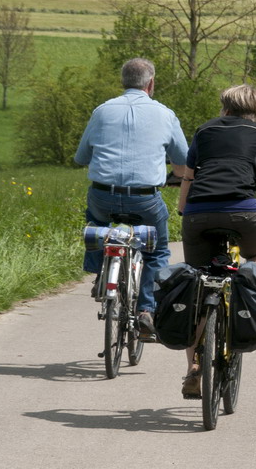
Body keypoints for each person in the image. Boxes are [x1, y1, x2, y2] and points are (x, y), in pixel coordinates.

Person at [177, 84, 256, 397]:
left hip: (198, 214)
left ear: (225, 108)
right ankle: (251, 277)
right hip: (243, 212)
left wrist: (182, 208)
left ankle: (193, 369)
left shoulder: (203, 132)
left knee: (197, 282)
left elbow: (189, 176)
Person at [74, 57, 188, 341]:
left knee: (97, 223)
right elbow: (183, 163)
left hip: (103, 195)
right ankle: (147, 310)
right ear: (151, 83)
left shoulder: (101, 111)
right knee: (157, 250)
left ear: (123, 82)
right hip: (144, 200)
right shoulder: (165, 114)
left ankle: (100, 273)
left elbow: (81, 157)